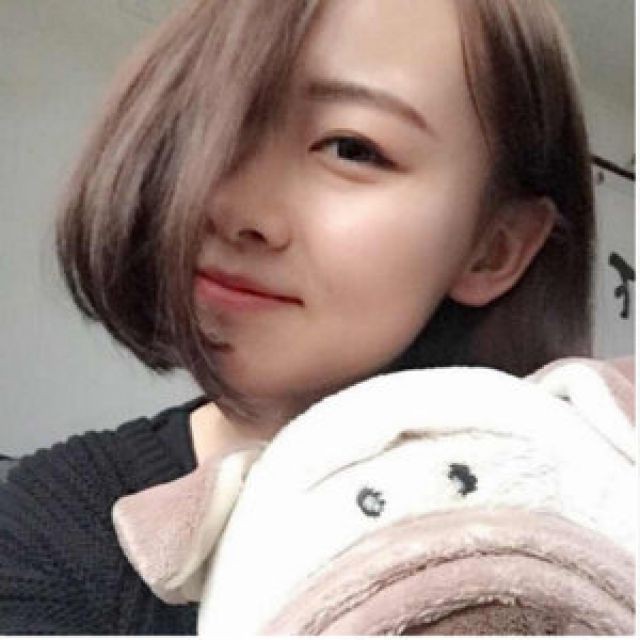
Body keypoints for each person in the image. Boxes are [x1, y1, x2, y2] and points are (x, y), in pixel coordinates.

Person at [0, 0, 594, 634]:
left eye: (352, 148)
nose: (233, 210)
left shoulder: (586, 523)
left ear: (493, 247)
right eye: (209, 127)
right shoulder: (54, 534)